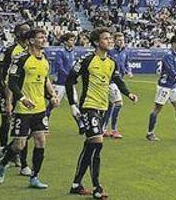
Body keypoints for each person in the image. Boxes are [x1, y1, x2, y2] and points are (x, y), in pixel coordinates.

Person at [66, 28, 139, 198]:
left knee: (90, 146)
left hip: (102, 107)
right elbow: (70, 80)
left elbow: (117, 79)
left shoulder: (111, 62)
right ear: (97, 42)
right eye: (106, 38)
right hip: (88, 106)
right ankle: (97, 187)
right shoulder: (87, 59)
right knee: (97, 143)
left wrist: (128, 94)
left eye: (110, 38)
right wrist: (72, 104)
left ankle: (76, 184)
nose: (110, 41)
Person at [0, 28, 59, 189]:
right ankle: (3, 162)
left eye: (45, 36)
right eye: (40, 37)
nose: (44, 39)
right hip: (23, 110)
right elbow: (12, 82)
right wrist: (21, 98)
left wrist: (52, 95)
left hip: (39, 108)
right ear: (31, 40)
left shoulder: (44, 60)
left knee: (40, 141)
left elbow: (45, 80)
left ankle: (34, 177)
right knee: (19, 145)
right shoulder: (21, 59)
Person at [0, 22, 31, 174]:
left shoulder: (31, 51)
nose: (27, 34)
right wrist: (3, 85)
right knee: (6, 120)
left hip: (24, 92)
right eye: (24, 31)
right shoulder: (9, 49)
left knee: (25, 126)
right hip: (7, 90)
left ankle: (14, 154)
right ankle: (5, 149)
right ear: (17, 34)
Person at [148, 35, 176, 142]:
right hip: (164, 86)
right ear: (173, 44)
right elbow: (171, 71)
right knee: (157, 109)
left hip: (173, 86)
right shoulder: (168, 55)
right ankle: (150, 133)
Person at [105, 38, 132, 139]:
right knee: (118, 103)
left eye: (123, 40)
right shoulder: (110, 52)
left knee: (110, 105)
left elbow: (126, 64)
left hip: (118, 80)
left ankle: (104, 128)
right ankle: (114, 130)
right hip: (111, 81)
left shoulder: (125, 52)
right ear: (114, 41)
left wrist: (128, 71)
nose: (121, 42)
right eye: (119, 40)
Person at [49, 33, 77, 116]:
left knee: (75, 104)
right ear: (65, 42)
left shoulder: (72, 52)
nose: (73, 42)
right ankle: (44, 120)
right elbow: (60, 68)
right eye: (71, 40)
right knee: (53, 104)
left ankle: (81, 126)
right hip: (60, 83)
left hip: (69, 83)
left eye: (74, 40)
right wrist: (69, 76)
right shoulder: (60, 53)